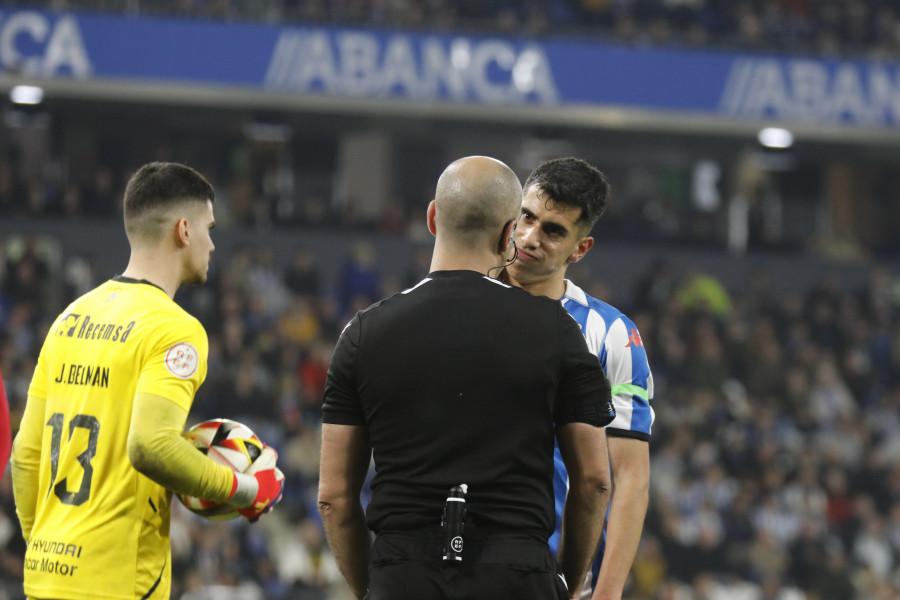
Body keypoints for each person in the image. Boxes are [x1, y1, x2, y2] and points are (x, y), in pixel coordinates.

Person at [318, 155, 615, 600]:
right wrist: (567, 583)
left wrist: (375, 586)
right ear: (507, 232)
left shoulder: (362, 334)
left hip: (402, 573)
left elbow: (334, 498)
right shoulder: (556, 329)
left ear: (432, 218)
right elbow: (594, 482)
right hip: (518, 576)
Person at [10, 162, 284, 600]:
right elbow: (151, 445)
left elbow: (25, 457)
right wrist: (247, 488)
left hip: (46, 577)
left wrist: (43, 550)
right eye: (209, 228)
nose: (213, 243)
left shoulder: (69, 317)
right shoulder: (175, 329)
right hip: (119, 583)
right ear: (183, 230)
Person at [506, 157, 655, 600]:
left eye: (553, 231)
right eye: (527, 218)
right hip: (454, 566)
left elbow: (630, 476)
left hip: (553, 576)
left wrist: (605, 595)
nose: (530, 238)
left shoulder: (614, 335)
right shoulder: (460, 301)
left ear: (580, 248)